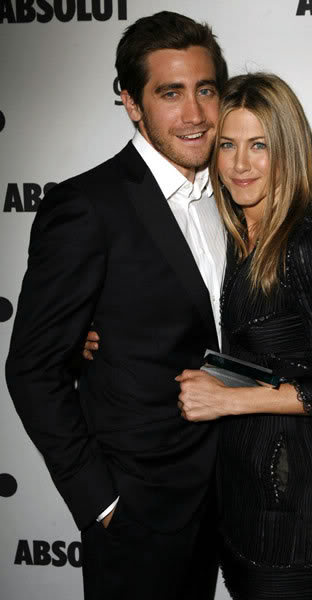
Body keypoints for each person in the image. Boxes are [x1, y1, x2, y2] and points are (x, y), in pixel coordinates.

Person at [6, 11, 228, 600]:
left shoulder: (231, 195)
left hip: (223, 497)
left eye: (206, 90)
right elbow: (31, 367)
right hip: (137, 510)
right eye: (170, 93)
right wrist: (99, 501)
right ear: (132, 103)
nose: (195, 114)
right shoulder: (88, 205)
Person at [174, 73, 312, 599]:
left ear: (287, 149)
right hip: (237, 491)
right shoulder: (229, 234)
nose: (240, 164)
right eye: (227, 145)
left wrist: (227, 401)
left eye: (259, 145)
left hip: (293, 500)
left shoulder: (308, 243)